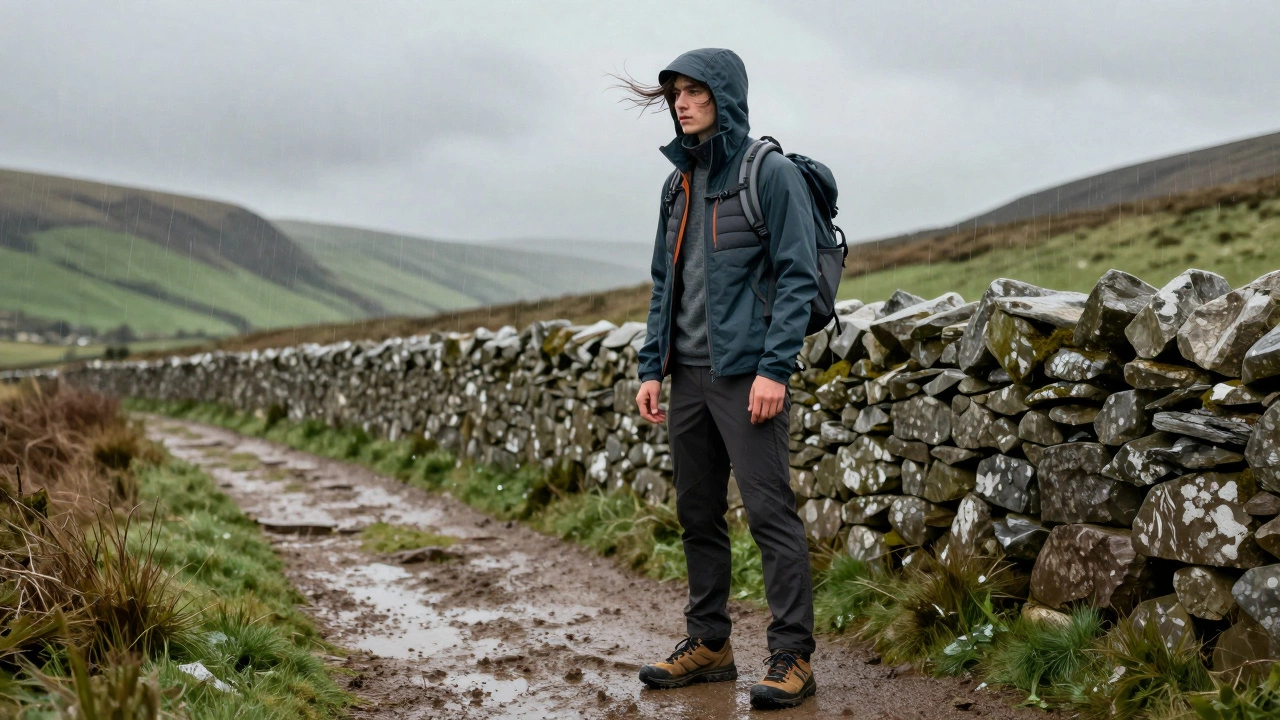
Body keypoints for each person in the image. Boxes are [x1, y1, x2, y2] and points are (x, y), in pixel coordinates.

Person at [623, 48, 820, 710]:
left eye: (695, 92)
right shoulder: (676, 184)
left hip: (748, 379)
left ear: (725, 97)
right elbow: (664, 283)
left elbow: (797, 276)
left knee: (769, 514)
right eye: (676, 93)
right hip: (689, 377)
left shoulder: (770, 173)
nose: (681, 103)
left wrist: (775, 368)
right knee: (697, 512)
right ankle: (709, 644)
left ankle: (792, 656)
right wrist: (653, 366)